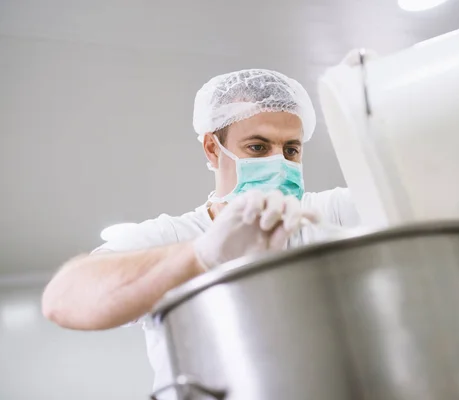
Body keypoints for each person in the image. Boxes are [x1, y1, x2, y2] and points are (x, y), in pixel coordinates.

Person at [41, 68, 360, 391]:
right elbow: (63, 299)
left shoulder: (324, 215)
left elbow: (404, 186)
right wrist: (201, 256)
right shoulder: (173, 237)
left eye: (291, 150)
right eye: (258, 147)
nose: (279, 162)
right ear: (211, 148)